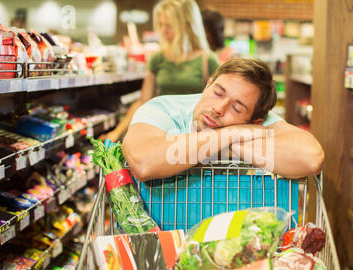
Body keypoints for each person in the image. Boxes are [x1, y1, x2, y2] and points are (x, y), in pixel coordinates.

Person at [122, 58, 324, 181]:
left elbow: (310, 159)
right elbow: (144, 162)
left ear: (255, 122)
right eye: (218, 92)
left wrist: (214, 143)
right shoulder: (162, 109)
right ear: (208, 84)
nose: (218, 109)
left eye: (236, 108)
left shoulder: (261, 120)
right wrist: (232, 133)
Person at [100, 0, 219, 142]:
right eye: (161, 25)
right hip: (160, 133)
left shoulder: (208, 61)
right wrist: (116, 133)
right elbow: (143, 101)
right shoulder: (158, 58)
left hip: (192, 137)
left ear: (187, 26)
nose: (163, 30)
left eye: (169, 25)